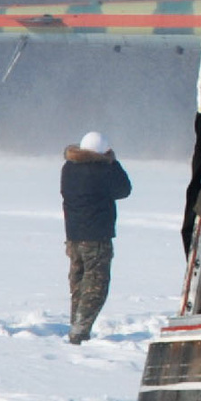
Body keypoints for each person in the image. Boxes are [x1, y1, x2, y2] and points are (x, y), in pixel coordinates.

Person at [61, 131, 132, 344]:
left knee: (79, 285)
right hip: (96, 238)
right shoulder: (102, 171)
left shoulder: (68, 168)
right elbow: (124, 189)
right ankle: (79, 332)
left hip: (73, 237)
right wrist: (113, 162)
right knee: (96, 287)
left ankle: (77, 326)